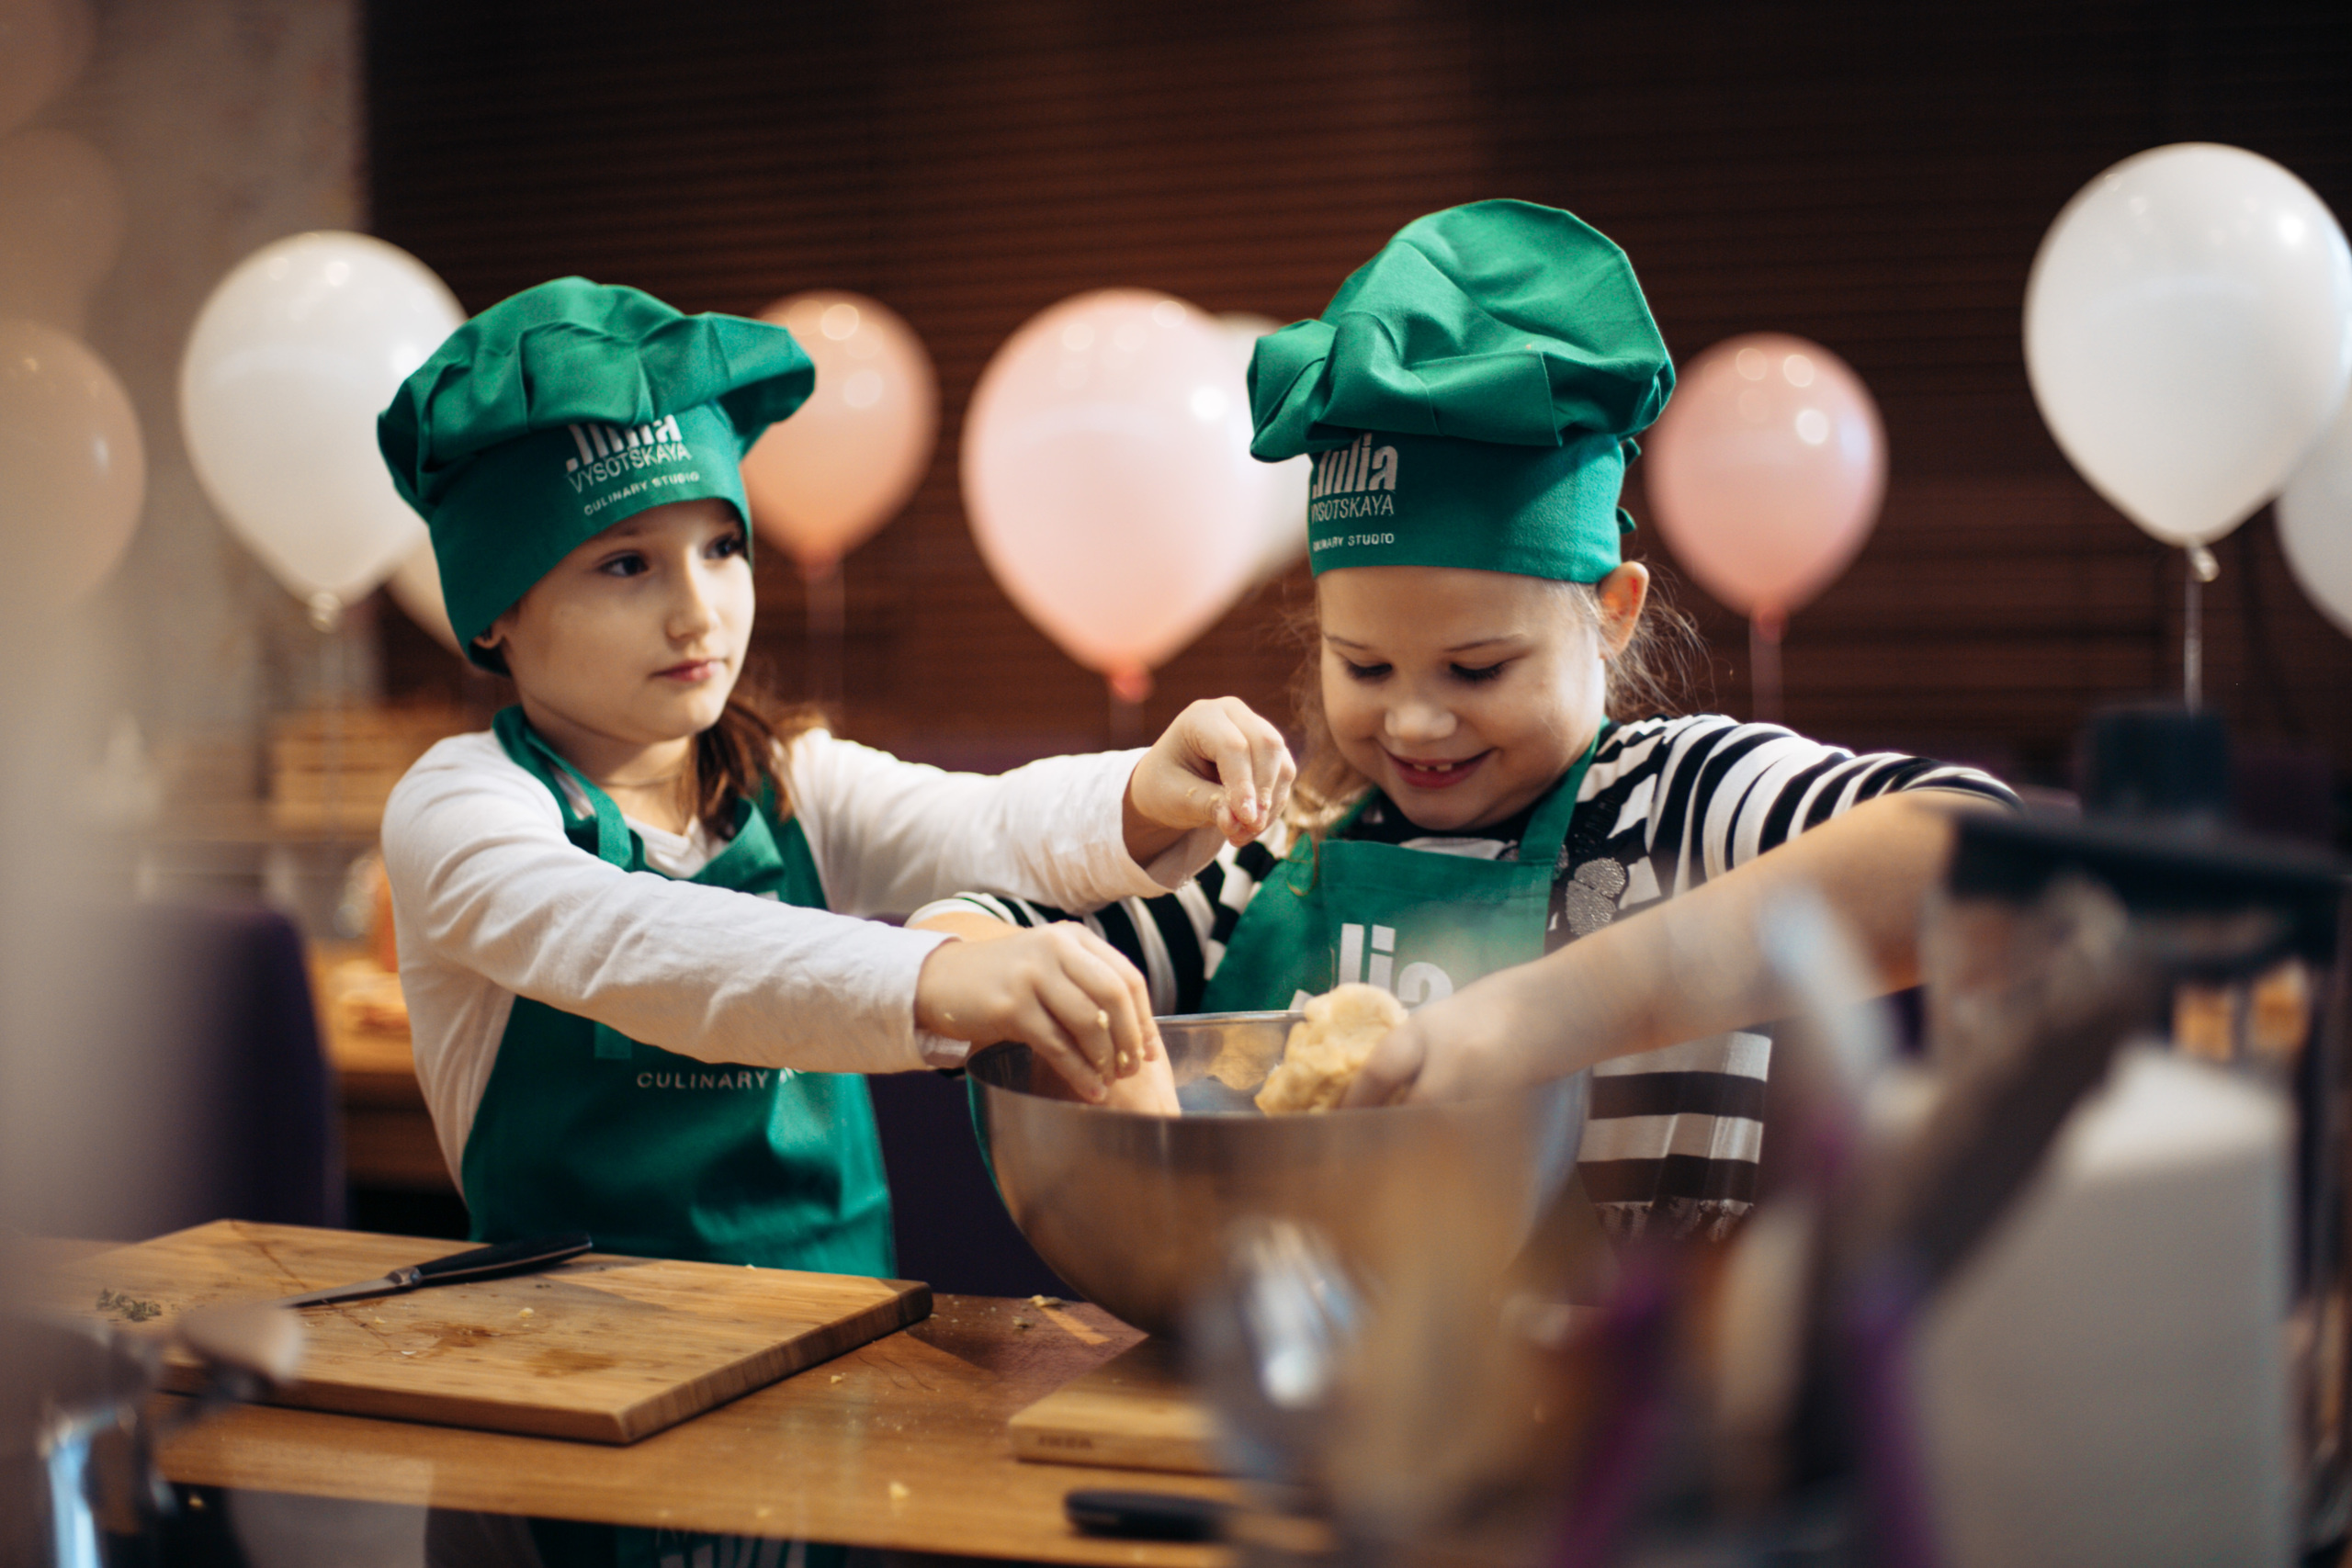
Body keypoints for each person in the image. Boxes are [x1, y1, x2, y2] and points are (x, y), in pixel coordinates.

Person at [914, 202, 2018, 1241]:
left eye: (1478, 667)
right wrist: (1026, 983)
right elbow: (968, 932)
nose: (1417, 719)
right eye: (1365, 663)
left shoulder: (1680, 801)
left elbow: (1984, 853)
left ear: (1614, 613)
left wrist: (1544, 1015)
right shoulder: (1277, 856)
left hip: (1626, 1419)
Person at [375, 277, 1295, 1279]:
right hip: (576, 1361)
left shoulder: (786, 782)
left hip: (843, 1339)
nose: (700, 613)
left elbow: (981, 819)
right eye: (626, 565)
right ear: (495, 610)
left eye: (722, 548)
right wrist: (942, 973)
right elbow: (636, 942)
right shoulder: (458, 808)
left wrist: (1143, 792)